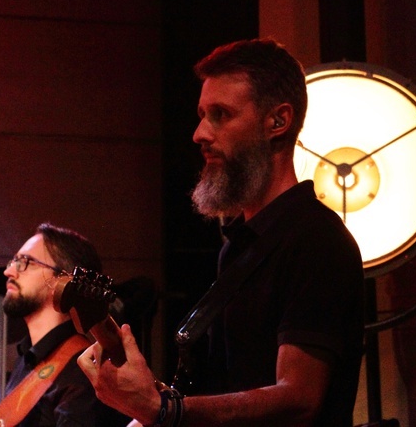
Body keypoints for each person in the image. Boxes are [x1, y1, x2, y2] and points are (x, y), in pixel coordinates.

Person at [78, 38, 365, 426]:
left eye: (221, 115)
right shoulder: (238, 249)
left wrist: (165, 411)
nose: (199, 133)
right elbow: (228, 391)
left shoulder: (316, 239)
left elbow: (299, 398)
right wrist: (147, 401)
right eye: (201, 114)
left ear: (277, 121)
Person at [0, 222, 130, 427]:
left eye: (25, 262)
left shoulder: (82, 374)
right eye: (13, 261)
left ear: (61, 280)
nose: (9, 272)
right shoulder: (26, 358)